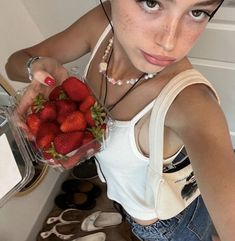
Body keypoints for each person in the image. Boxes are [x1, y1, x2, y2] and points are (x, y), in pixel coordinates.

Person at [5, 0, 235, 240]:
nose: (169, 42)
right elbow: (13, 65)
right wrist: (37, 68)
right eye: (151, 2)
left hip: (171, 228)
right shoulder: (103, 25)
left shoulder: (191, 102)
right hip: (129, 201)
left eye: (198, 12)